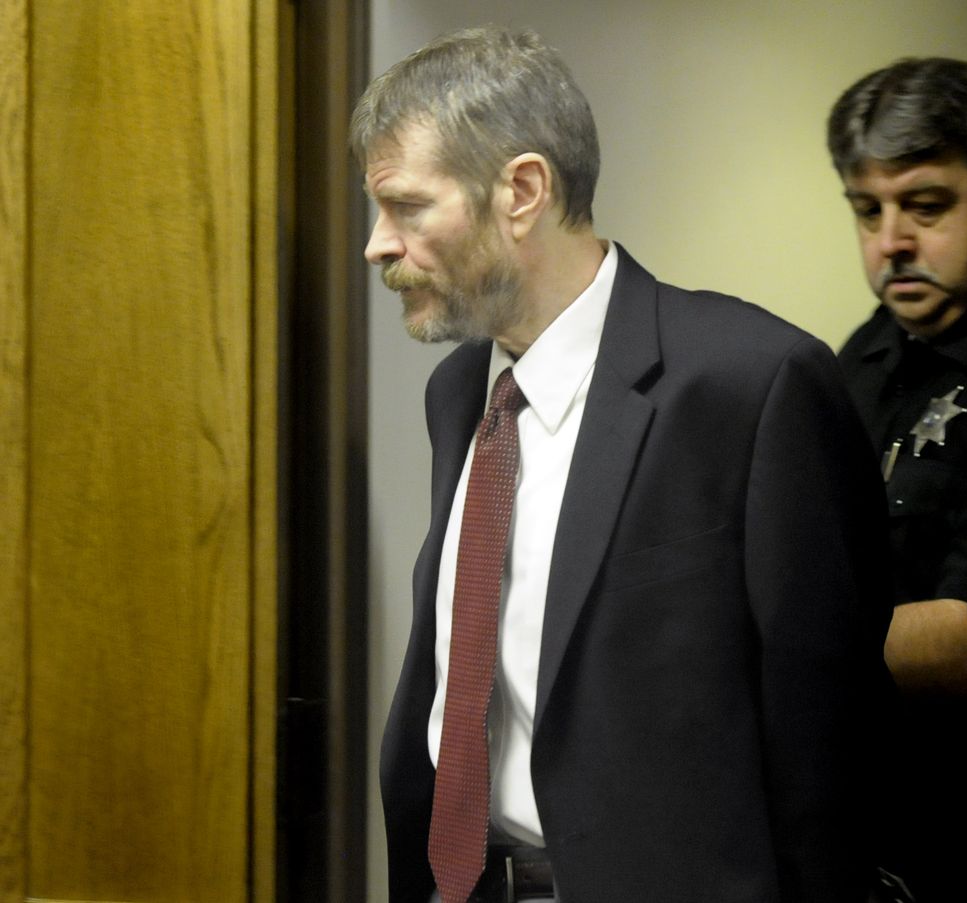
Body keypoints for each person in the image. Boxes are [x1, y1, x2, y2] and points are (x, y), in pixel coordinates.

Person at [354, 25, 893, 903]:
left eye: (407, 208)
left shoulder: (752, 385)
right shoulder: (460, 394)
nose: (379, 244)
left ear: (521, 191)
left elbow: (830, 737)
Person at [826, 58, 967, 902]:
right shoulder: (863, 356)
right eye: (867, 211)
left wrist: (751, 637)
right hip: (867, 840)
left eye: (926, 205)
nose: (892, 242)